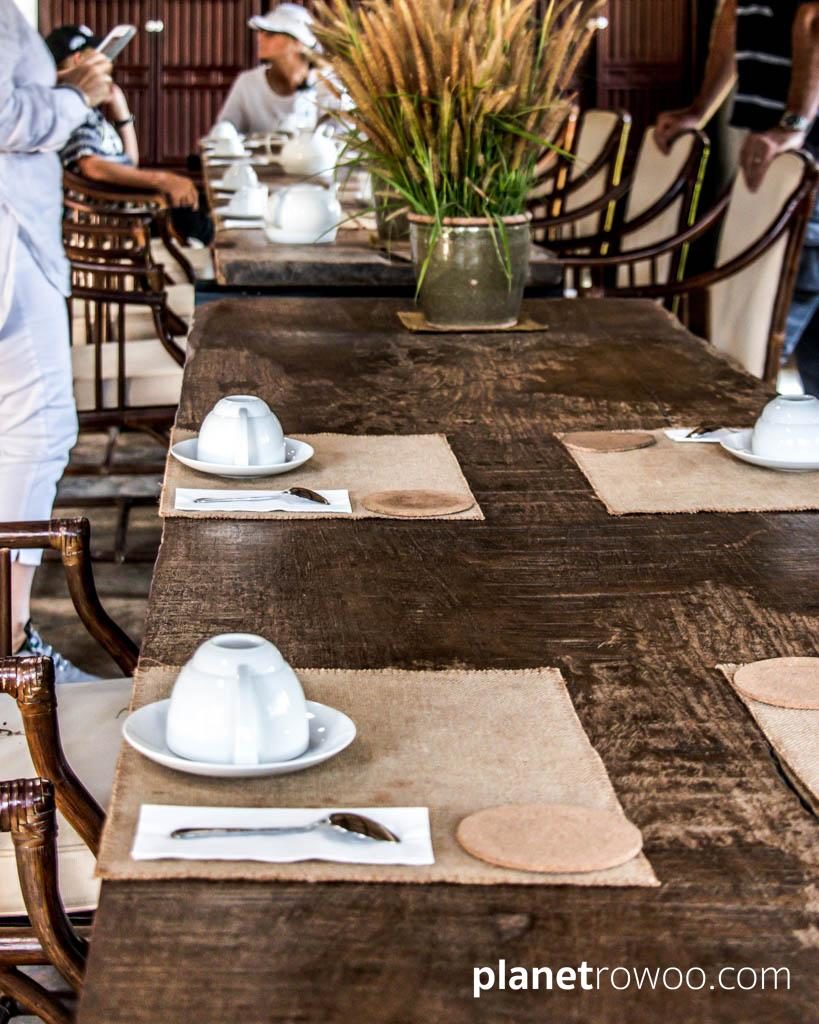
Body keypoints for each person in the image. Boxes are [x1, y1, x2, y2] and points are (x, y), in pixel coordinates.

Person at [0, 0, 113, 680]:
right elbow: (9, 117)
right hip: (11, 249)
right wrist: (74, 94)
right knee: (36, 433)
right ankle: (9, 645)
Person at [654, 0, 819, 396]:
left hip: (802, 148)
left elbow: (814, 17)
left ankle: (734, 406)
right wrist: (700, 110)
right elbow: (732, 18)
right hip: (774, 140)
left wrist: (795, 122)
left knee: (787, 291)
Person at [45, 24, 212, 243]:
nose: (109, 64)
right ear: (79, 61)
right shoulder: (74, 111)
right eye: (101, 57)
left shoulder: (86, 109)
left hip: (124, 213)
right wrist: (162, 180)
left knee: (204, 210)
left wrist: (122, 115)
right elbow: (92, 166)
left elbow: (129, 163)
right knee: (200, 217)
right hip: (115, 222)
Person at [216, 3, 346, 135]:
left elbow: (341, 135)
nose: (259, 38)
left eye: (270, 34)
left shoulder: (328, 84)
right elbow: (224, 130)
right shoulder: (247, 82)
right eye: (260, 32)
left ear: (298, 42)